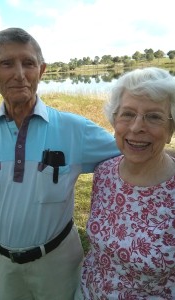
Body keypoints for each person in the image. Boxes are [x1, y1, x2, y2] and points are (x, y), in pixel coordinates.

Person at [0, 27, 120, 300]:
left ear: (41, 70)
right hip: (1, 266)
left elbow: (136, 151)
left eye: (28, 63)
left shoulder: (74, 129)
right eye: (7, 63)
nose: (19, 74)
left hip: (60, 262)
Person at [76, 67, 175, 299]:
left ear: (171, 130)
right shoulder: (104, 173)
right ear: (114, 121)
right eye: (128, 114)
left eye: (154, 116)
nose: (136, 127)